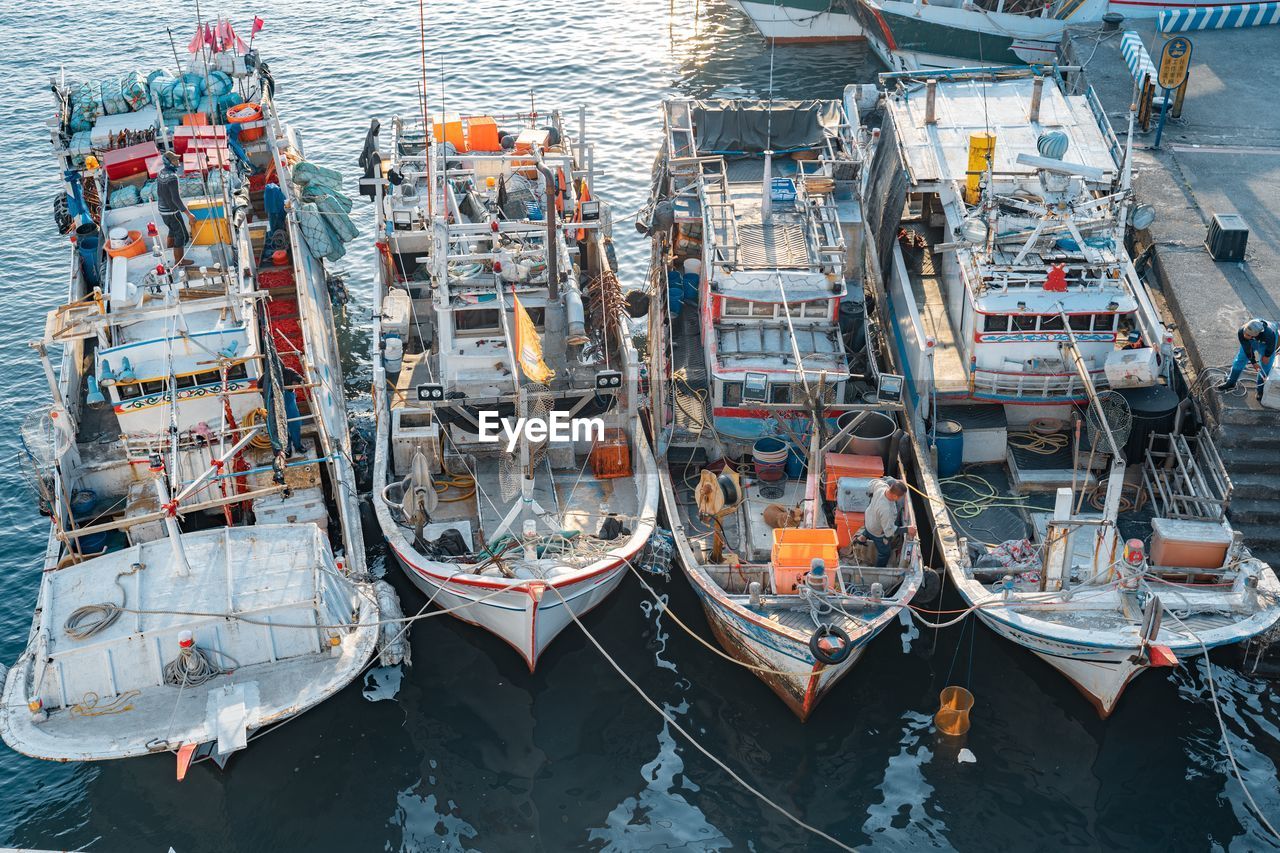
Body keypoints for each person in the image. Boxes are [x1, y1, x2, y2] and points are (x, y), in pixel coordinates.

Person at [1218, 318, 1278, 401]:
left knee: (1265, 367)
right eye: (1245, 333)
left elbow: (1271, 345)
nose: (1245, 336)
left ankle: (1260, 390)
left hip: (1266, 343)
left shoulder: (1269, 334)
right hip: (1251, 341)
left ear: (1256, 334)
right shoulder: (1242, 331)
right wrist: (1253, 362)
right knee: (1240, 360)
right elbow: (1247, 349)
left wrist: (1267, 356)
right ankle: (1231, 382)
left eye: (1248, 335)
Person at [860, 478, 915, 568]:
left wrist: (870, 495)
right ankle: (879, 569)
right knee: (885, 553)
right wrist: (907, 529)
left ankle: (864, 535)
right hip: (876, 532)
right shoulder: (887, 511)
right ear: (895, 497)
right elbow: (889, 531)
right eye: (901, 497)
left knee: (870, 527)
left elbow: (872, 483)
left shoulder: (882, 487)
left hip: (868, 520)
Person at [156, 150, 194, 267]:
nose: (178, 161)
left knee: (172, 230)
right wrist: (189, 214)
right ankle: (179, 261)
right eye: (175, 160)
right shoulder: (172, 177)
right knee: (182, 236)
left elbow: (159, 192)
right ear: (169, 163)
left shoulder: (160, 173)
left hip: (162, 211)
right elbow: (176, 199)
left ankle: (169, 251)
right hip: (171, 212)